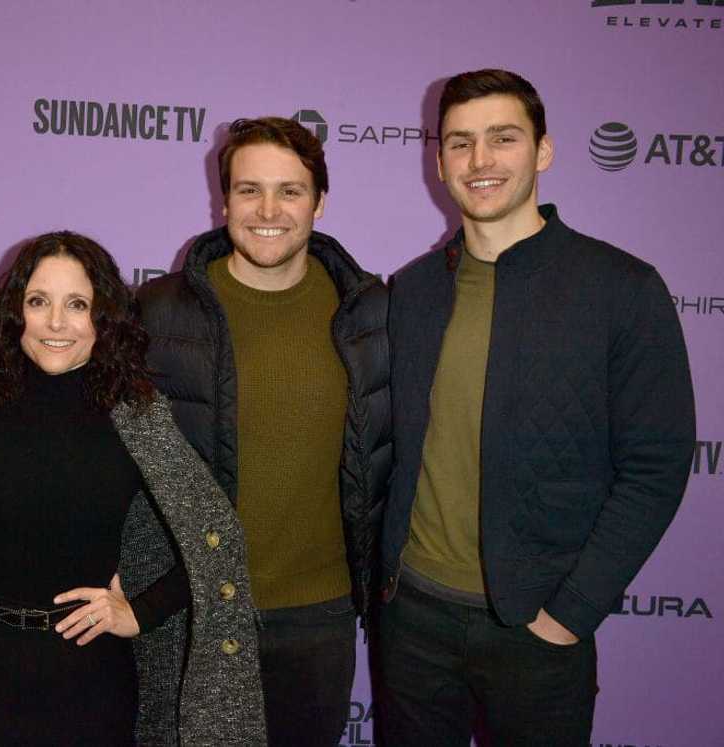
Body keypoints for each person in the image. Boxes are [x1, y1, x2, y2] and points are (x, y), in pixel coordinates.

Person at [379, 68, 695, 746]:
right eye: (460, 143)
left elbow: (657, 466)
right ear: (438, 163)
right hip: (414, 622)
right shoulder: (411, 291)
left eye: (503, 138)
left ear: (543, 151)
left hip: (538, 630)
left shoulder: (621, 289)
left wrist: (570, 612)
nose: (480, 161)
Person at [0, 232, 266, 746]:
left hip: (92, 688)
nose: (56, 323)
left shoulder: (139, 420)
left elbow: (217, 544)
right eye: (39, 302)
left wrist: (140, 612)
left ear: (103, 319)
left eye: (77, 304)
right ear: (17, 313)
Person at [137, 117, 391, 746]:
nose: (268, 209)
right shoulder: (157, 312)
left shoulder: (372, 314)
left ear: (320, 202)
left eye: (291, 190)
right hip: (192, 609)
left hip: (319, 618)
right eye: (250, 190)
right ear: (224, 200)